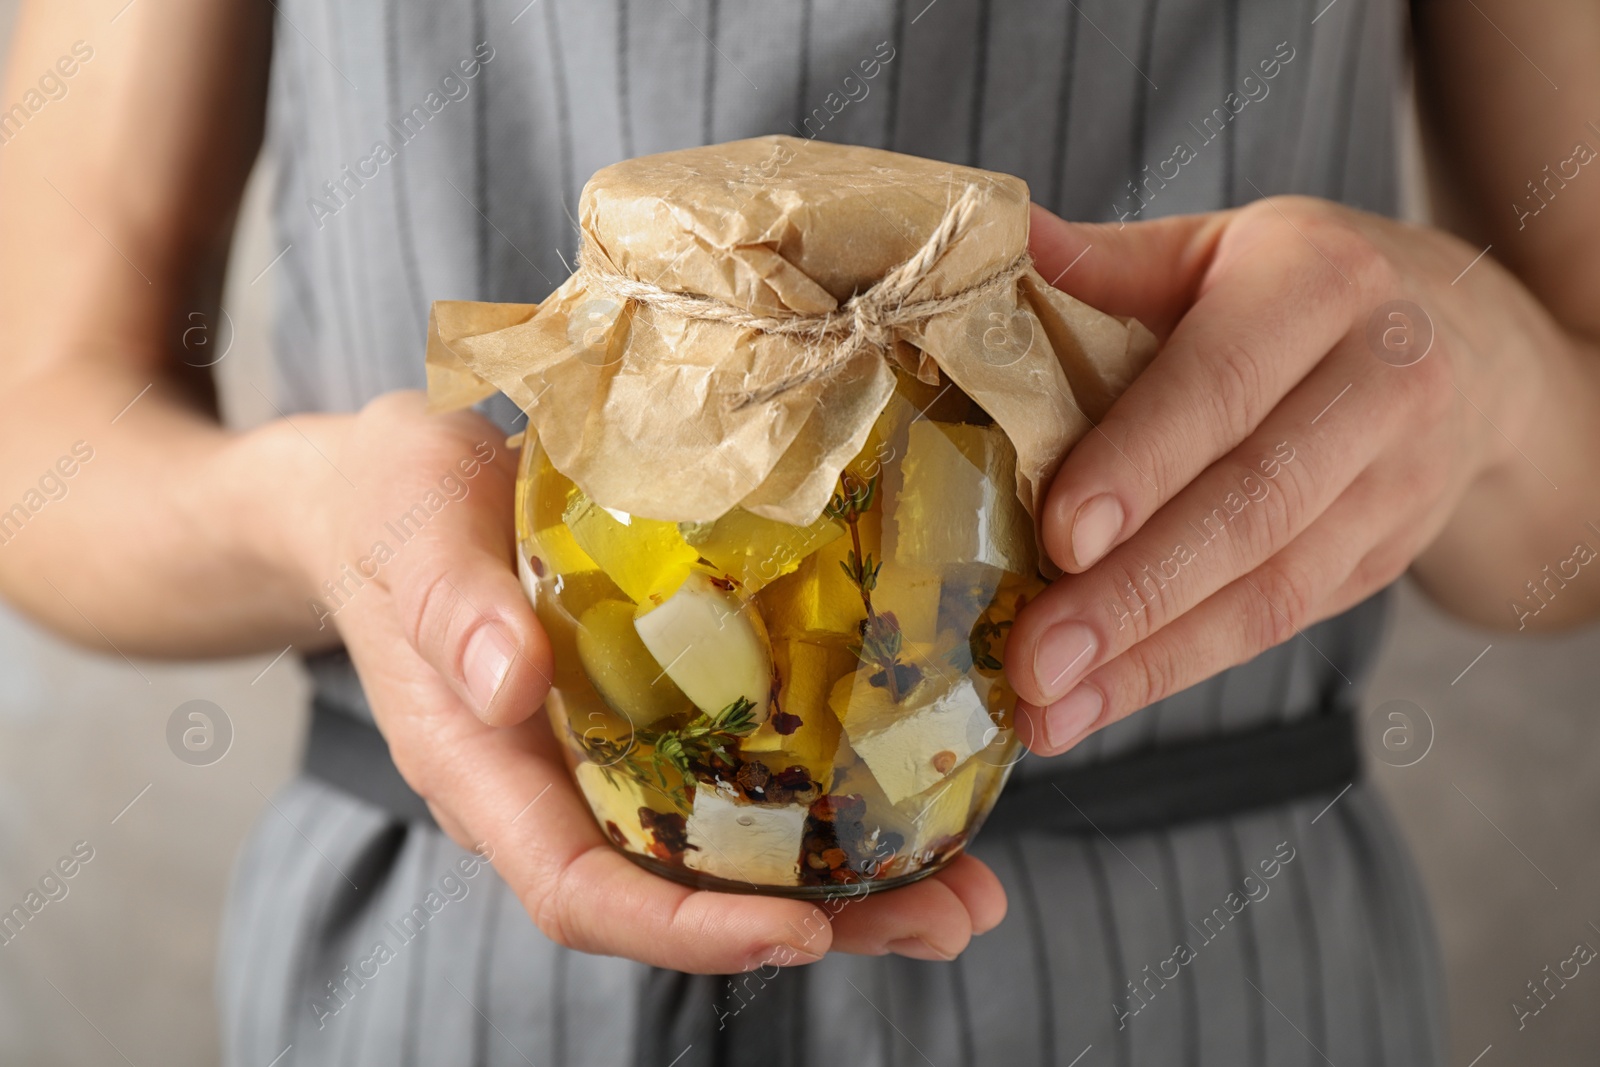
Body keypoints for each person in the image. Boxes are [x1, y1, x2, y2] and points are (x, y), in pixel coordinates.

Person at [1, 0, 1596, 1063]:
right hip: (442, 985)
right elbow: (38, 426)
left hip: (1212, 981)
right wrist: (310, 521)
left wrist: (1490, 382)